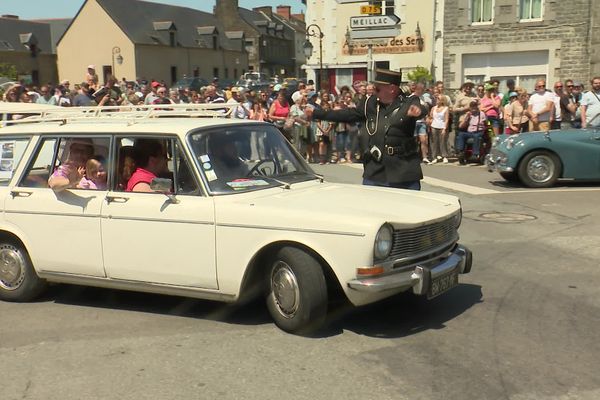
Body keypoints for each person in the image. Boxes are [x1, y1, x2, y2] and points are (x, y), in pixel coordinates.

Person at [306, 69, 426, 190]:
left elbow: (420, 108)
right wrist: (317, 113)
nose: (374, 89)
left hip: (403, 171)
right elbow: (348, 114)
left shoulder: (408, 102)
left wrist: (417, 111)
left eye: (378, 87)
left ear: (392, 89)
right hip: (375, 170)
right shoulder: (371, 103)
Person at [456, 100, 487, 165]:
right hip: (470, 132)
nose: (473, 109)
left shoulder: (482, 114)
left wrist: (488, 129)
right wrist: (466, 118)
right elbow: (460, 126)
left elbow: (487, 123)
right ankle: (460, 152)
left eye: (474, 107)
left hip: (479, 131)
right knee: (461, 134)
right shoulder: (468, 114)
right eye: (472, 107)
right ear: (470, 108)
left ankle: (475, 154)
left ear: (476, 107)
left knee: (476, 136)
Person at [429, 94, 450, 164]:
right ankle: (434, 157)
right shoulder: (433, 108)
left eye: (438, 99)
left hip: (442, 126)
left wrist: (444, 128)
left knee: (443, 142)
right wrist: (429, 121)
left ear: (442, 100)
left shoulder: (446, 108)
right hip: (434, 126)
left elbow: (446, 119)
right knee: (434, 142)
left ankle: (444, 156)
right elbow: (431, 117)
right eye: (436, 98)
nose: (437, 100)